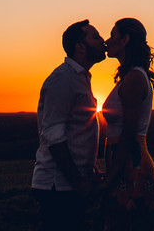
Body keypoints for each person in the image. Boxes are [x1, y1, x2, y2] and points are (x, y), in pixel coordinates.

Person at [32, 19, 107, 230]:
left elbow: (76, 133)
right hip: (58, 187)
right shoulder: (63, 79)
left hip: (69, 185)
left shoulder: (79, 78)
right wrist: (77, 181)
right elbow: (54, 135)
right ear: (80, 47)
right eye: (96, 37)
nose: (103, 41)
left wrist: (90, 170)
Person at [99, 18, 154, 230]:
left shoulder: (135, 78)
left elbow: (128, 135)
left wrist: (110, 177)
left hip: (132, 167)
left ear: (125, 39)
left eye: (112, 34)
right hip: (125, 166)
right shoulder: (130, 77)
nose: (107, 41)